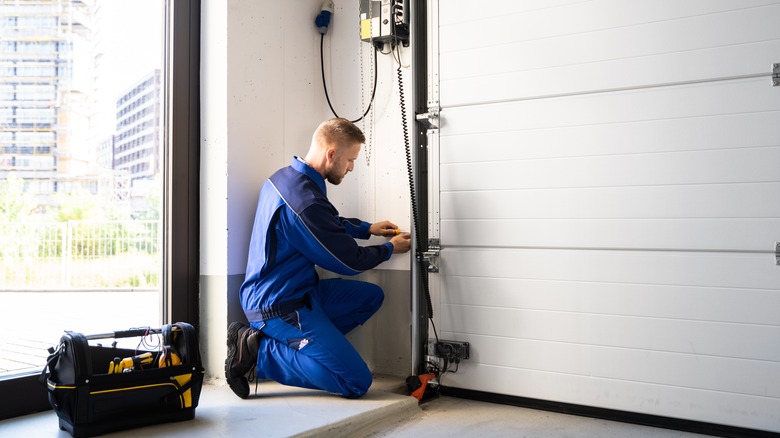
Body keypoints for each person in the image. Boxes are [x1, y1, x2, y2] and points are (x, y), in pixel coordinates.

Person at [226, 118, 412, 399]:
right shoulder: (304, 202)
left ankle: (310, 349)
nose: (351, 167)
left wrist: (367, 228)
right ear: (331, 154)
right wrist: (388, 249)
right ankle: (259, 352)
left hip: (302, 292)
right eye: (350, 160)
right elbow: (349, 262)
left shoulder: (286, 178)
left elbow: (326, 223)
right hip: (277, 306)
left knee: (370, 297)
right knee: (356, 382)